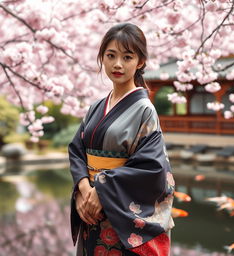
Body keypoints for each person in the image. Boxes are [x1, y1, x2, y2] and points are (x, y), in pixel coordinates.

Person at [68, 23, 175, 256]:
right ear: (102, 58)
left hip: (119, 215)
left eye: (127, 57)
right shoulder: (96, 106)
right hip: (90, 208)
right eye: (111, 55)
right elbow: (77, 149)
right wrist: (83, 189)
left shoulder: (145, 110)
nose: (118, 64)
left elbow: (152, 168)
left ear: (140, 62)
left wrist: (102, 189)